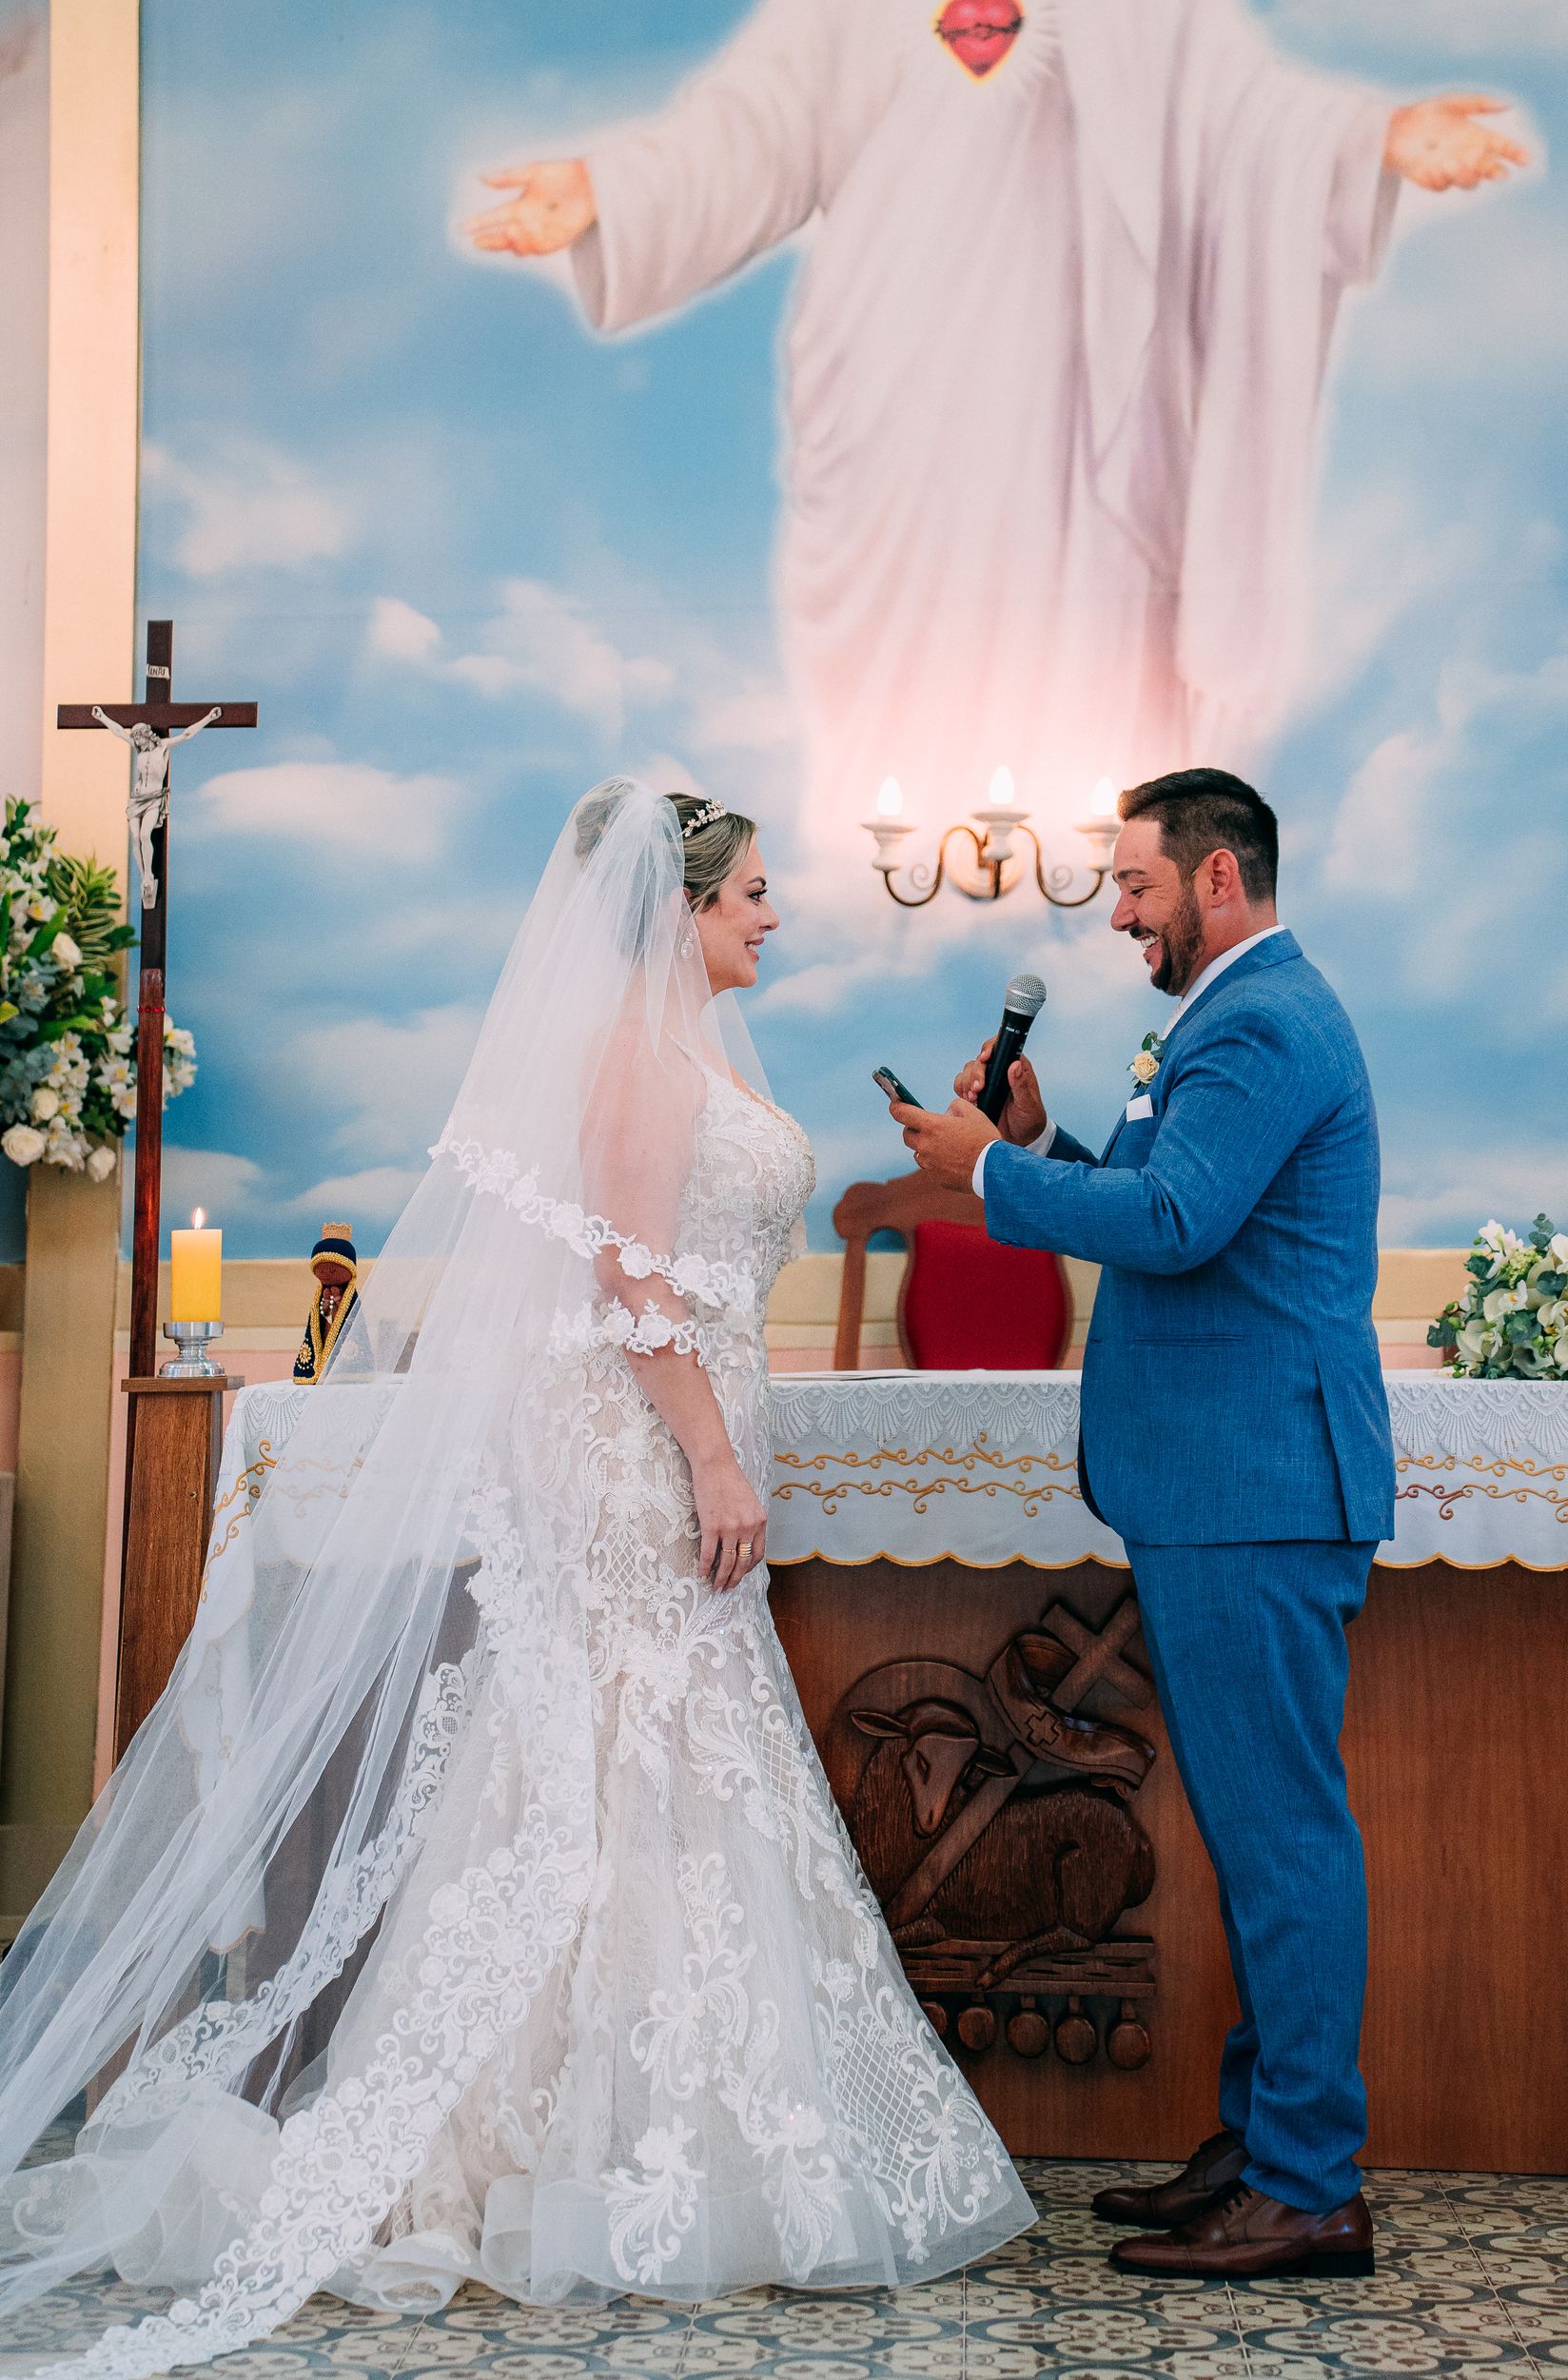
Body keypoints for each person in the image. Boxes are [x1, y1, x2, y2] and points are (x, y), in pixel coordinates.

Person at [0, 783, 1032, 2374]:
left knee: (649, 1756)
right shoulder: (630, 1048)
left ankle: (641, 2129)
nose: (770, 913)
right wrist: (708, 1456)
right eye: (751, 891)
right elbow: (629, 1280)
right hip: (628, 1440)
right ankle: (551, 2147)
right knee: (620, 1749)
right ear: (678, 904)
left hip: (665, 1419)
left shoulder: (681, 1044)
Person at [461, 0, 1526, 847]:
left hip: (1085, 382)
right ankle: (904, 876)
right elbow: (756, 125)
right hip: (898, 374)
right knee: (909, 693)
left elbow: (1229, 106)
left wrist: (1378, 135)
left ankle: (1090, 866)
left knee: (1086, 657)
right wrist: (607, 190)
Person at [895, 766, 1393, 2283]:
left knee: (1282, 1837)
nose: (1115, 912)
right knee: (1256, 1839)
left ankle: (1311, 2183)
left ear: (1220, 880)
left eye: (1137, 886)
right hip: (1226, 1481)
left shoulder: (1259, 1020)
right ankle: (1262, 2147)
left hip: (1255, 1485)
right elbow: (1167, 1200)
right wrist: (1040, 1154)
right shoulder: (1237, 1014)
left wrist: (980, 1174)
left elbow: (1174, 1229)